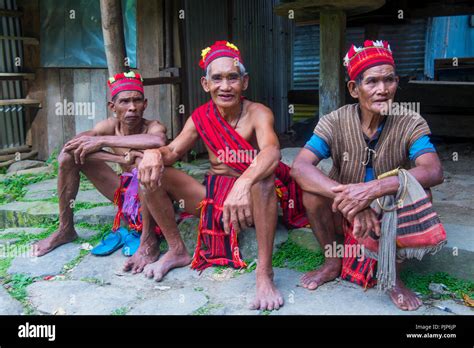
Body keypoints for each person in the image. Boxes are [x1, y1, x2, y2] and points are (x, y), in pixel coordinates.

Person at [137, 41, 307, 311]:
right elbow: (172, 151)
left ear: (245, 82)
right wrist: (154, 154)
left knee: (263, 179)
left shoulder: (258, 113)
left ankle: (264, 274)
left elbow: (272, 153)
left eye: (233, 78)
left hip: (253, 198)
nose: (225, 86)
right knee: (150, 172)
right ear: (206, 84)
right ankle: (176, 249)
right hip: (214, 196)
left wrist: (243, 183)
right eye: (217, 78)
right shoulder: (199, 117)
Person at [291, 40, 446, 311]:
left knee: (422, 191)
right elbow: (300, 167)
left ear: (397, 83)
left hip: (385, 210)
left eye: (389, 80)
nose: (383, 90)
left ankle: (393, 278)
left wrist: (373, 190)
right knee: (312, 194)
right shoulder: (334, 121)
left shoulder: (411, 122)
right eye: (372, 82)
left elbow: (433, 170)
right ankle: (332, 261)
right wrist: (351, 196)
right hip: (344, 208)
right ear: (354, 88)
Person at [33, 71, 168, 274]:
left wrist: (103, 142)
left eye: (137, 100)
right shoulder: (108, 126)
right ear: (112, 107)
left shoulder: (153, 126)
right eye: (124, 102)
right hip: (125, 194)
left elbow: (157, 142)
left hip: (154, 195)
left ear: (145, 104)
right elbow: (71, 147)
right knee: (68, 158)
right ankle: (65, 229)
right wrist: (118, 158)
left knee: (142, 163)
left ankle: (148, 239)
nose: (132, 107)